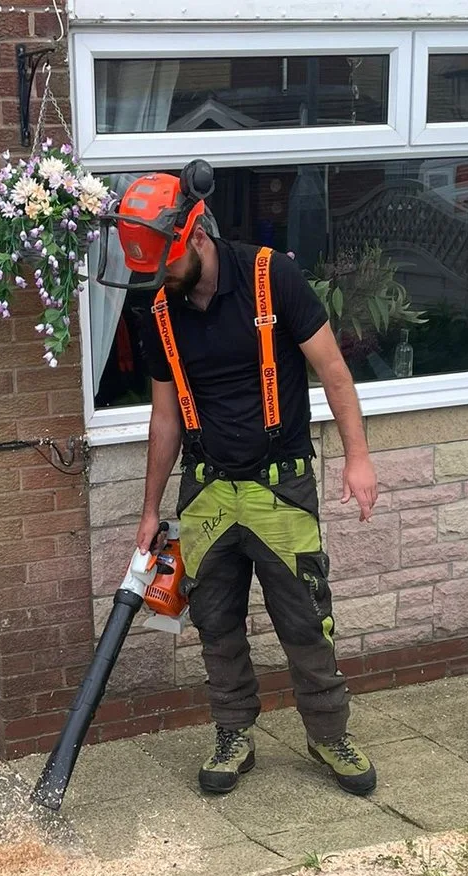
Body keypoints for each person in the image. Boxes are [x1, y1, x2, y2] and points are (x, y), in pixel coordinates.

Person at [98, 163, 379, 797]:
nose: (159, 280)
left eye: (165, 265)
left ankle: (328, 732)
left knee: (308, 621)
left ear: (195, 236)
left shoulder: (272, 275)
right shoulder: (160, 312)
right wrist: (150, 510)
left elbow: (334, 372)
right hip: (207, 490)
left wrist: (359, 456)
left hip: (281, 486)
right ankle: (233, 734)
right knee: (215, 625)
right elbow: (165, 417)